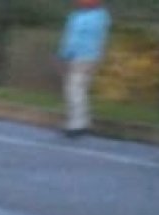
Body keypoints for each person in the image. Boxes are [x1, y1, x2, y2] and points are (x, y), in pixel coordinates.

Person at [58, 0, 112, 138]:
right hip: (88, 56)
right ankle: (82, 120)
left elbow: (74, 38)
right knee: (79, 89)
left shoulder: (85, 17)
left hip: (82, 56)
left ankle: (77, 123)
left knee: (74, 89)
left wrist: (65, 54)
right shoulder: (100, 16)